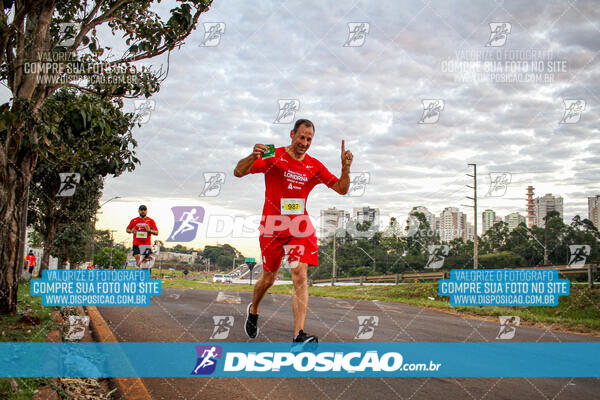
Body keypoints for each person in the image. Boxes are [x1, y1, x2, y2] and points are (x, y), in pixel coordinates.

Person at [234, 119, 352, 345]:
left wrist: (345, 169)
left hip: (299, 228)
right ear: (292, 134)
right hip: (272, 227)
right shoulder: (272, 155)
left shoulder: (314, 165)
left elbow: (341, 189)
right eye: (301, 137)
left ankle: (299, 335)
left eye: (309, 139)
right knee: (268, 279)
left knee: (300, 275)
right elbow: (238, 172)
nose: (305, 143)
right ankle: (254, 309)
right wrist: (252, 155)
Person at [126, 205, 159, 269]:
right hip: (136, 243)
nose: (143, 211)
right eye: (141, 210)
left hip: (146, 244)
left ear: (146, 211)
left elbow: (157, 232)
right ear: (139, 211)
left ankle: (144, 269)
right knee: (138, 257)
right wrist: (131, 231)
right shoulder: (134, 220)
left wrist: (150, 230)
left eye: (144, 210)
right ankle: (138, 272)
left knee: (144, 262)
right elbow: (127, 229)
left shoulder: (151, 221)